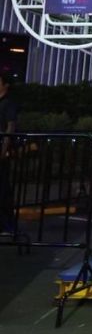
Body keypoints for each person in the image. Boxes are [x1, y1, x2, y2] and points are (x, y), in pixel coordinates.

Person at [0, 72, 18, 235]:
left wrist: (4, 150)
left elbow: (10, 126)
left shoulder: (8, 103)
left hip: (1, 151)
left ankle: (7, 225)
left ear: (6, 85)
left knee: (3, 189)